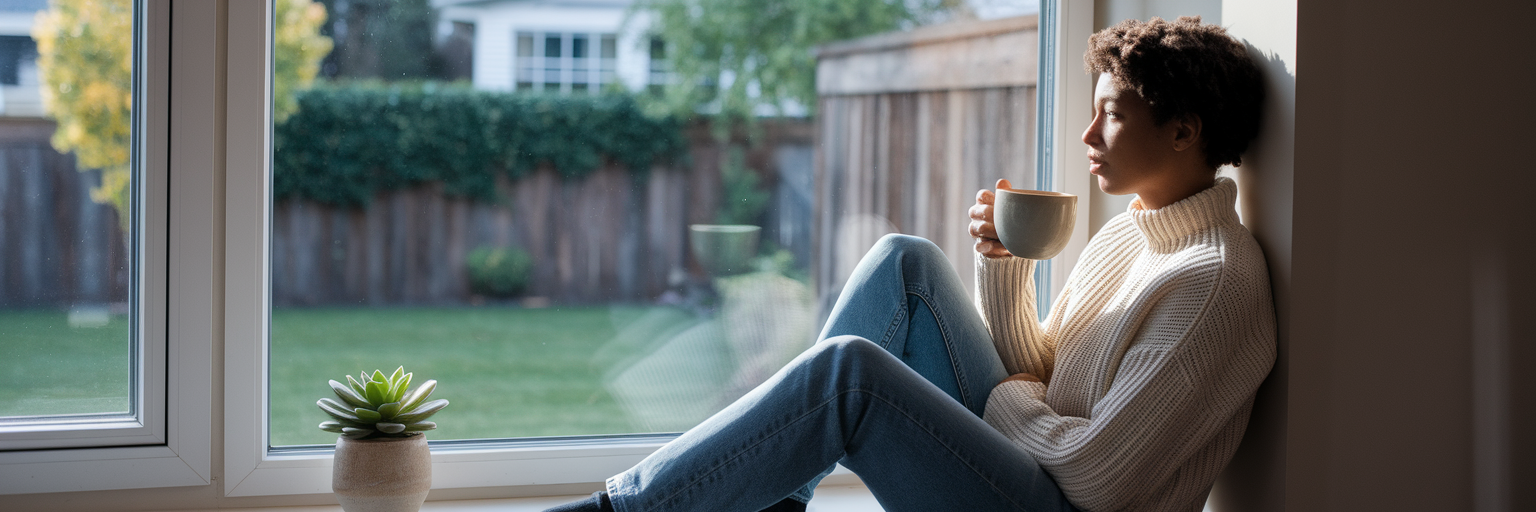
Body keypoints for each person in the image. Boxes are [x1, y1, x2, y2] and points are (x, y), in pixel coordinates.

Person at [547, 15, 1272, 512]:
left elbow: (1098, 475)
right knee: (906, 262)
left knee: (849, 376)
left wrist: (1011, 400)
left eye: (1111, 113)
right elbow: (1047, 370)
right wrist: (1004, 267)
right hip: (1042, 466)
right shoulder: (1131, 233)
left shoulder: (1211, 285)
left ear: (1184, 131)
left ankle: (621, 510)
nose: (1087, 133)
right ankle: (773, 503)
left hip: (1065, 503)